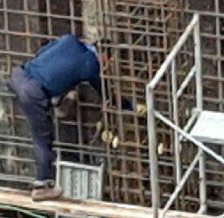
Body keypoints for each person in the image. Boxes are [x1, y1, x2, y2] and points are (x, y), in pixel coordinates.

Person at [9, 34, 136, 201]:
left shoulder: (70, 40)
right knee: (43, 138)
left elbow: (42, 52)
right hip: (32, 92)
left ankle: (54, 97)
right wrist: (129, 106)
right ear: (105, 57)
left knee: (52, 101)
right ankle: (42, 185)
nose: (107, 66)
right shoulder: (91, 65)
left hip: (19, 74)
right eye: (109, 62)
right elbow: (106, 94)